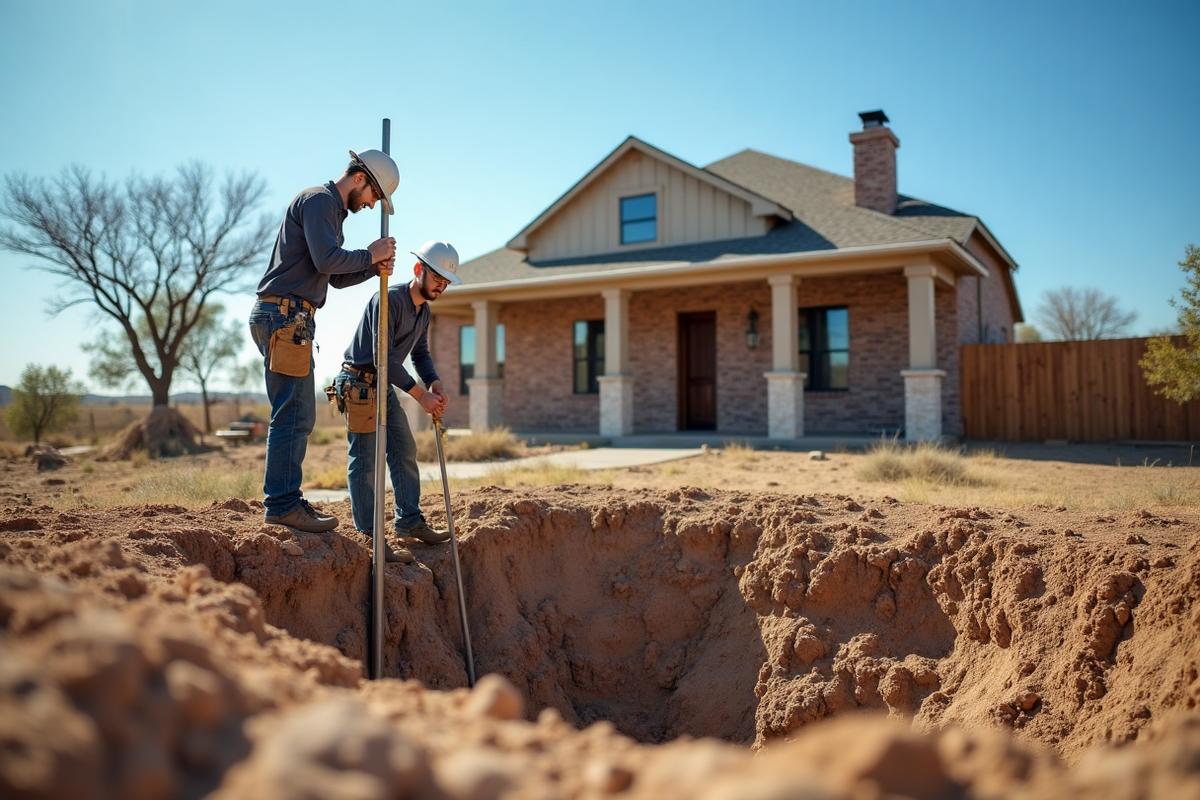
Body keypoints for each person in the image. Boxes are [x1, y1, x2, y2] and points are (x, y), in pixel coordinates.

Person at [249, 149, 400, 533]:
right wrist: (369, 253)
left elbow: (332, 275)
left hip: (289, 318)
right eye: (374, 197)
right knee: (294, 413)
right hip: (284, 317)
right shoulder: (319, 201)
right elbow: (327, 260)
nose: (371, 206)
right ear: (361, 178)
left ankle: (286, 498)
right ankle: (281, 504)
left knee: (299, 412)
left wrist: (371, 266)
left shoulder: (331, 210)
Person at [332, 240, 461, 563]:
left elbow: (419, 353)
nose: (441, 287)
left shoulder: (424, 311)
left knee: (403, 449)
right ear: (419, 270)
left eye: (446, 283)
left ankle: (409, 521)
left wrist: (434, 381)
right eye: (437, 279)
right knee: (364, 461)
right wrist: (421, 396)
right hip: (359, 383)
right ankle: (370, 537)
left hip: (383, 387)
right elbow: (382, 356)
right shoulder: (388, 300)